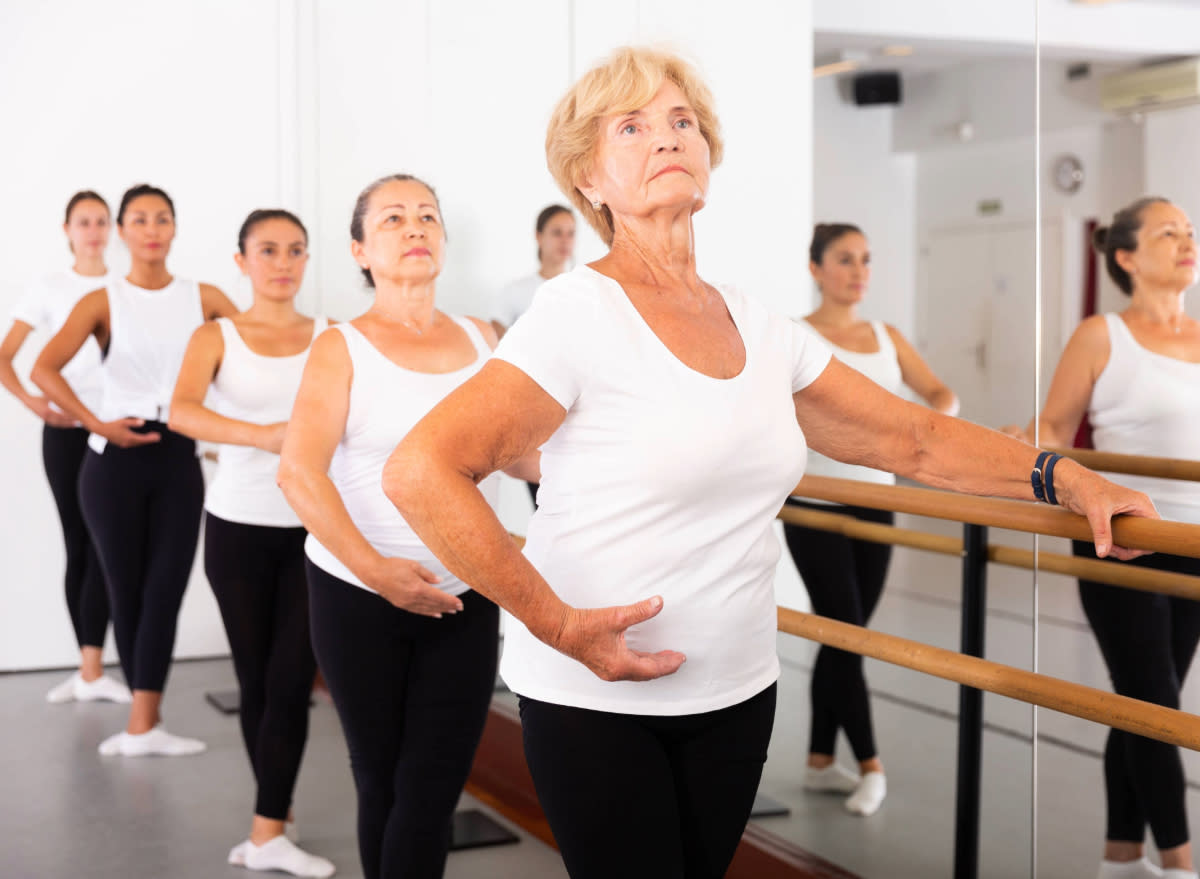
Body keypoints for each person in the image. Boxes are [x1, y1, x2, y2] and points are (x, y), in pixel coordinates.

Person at [381, 47, 1158, 879]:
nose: (667, 138)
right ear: (589, 181)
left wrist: (1063, 475)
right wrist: (558, 623)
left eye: (683, 122)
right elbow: (422, 469)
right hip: (596, 698)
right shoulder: (575, 314)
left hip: (739, 691)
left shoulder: (761, 326)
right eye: (633, 127)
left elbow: (914, 439)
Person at [278, 174, 533, 879]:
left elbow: (519, 454)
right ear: (361, 250)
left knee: (430, 788)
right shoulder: (341, 347)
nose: (415, 226)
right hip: (359, 593)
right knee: (383, 779)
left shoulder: (486, 339)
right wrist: (376, 571)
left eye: (427, 215)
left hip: (464, 590)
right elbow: (299, 472)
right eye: (393, 218)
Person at [1006, 197, 1200, 879]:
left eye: (1189, 230)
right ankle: (1181, 864)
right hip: (1121, 538)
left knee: (1142, 699)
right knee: (1155, 704)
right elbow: (1055, 430)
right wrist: (1008, 448)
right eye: (1167, 231)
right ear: (1124, 256)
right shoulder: (1101, 334)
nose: (1186, 240)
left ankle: (1120, 858)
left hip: (1193, 546)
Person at [32, 183, 237, 757]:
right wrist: (94, 422)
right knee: (125, 590)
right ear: (122, 231)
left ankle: (147, 723)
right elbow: (46, 369)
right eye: (140, 219)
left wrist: (229, 429)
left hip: (178, 457)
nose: (152, 228)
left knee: (166, 588)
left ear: (174, 229)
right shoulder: (103, 299)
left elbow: (254, 352)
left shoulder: (205, 296)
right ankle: (138, 725)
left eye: (162, 218)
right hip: (114, 463)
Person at [169, 209, 334, 877]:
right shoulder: (216, 334)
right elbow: (181, 411)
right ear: (241, 260)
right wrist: (263, 434)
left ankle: (267, 831)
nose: (283, 262)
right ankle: (275, 805)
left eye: (296, 250)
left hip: (313, 527)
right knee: (256, 676)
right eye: (268, 250)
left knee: (293, 678)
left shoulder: (331, 336)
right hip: (236, 525)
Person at [786, 222, 959, 817]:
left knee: (843, 635)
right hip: (817, 506)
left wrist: (917, 426)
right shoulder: (795, 335)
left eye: (865, 259)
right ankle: (869, 765)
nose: (858, 271)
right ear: (815, 268)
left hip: (881, 507)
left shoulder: (886, 335)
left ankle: (815, 761)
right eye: (843, 259)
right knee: (849, 632)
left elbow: (941, 394)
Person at [0, 190, 129, 704]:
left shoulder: (126, 287)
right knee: (80, 541)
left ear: (113, 230)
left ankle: (97, 667)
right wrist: (35, 404)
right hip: (66, 431)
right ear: (67, 229)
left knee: (109, 545)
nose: (94, 231)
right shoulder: (49, 286)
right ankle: (88, 667)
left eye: (101, 221)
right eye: (84, 222)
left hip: (116, 430)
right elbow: (6, 356)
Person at [488, 204, 575, 339]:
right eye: (557, 233)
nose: (565, 241)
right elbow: (493, 342)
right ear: (539, 236)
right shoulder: (514, 291)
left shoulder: (583, 290)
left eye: (571, 234)